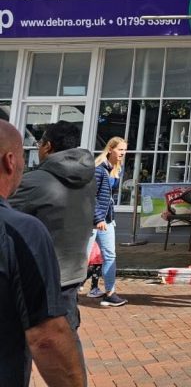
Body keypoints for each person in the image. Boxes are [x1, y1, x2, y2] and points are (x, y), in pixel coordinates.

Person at [0, 119, 88, 387]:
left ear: (47, 146)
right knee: (64, 336)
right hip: (68, 272)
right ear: (10, 161)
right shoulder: (91, 178)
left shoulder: (34, 185)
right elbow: (47, 339)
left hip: (42, 273)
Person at [89, 136, 128, 308]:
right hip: (93, 221)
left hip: (107, 219)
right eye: (120, 149)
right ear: (110, 149)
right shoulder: (99, 169)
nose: (123, 153)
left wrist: (107, 218)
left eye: (124, 150)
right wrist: (98, 218)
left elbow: (109, 196)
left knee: (110, 256)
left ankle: (110, 294)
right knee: (83, 257)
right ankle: (69, 293)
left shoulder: (116, 169)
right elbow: (91, 196)